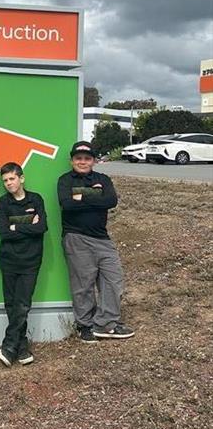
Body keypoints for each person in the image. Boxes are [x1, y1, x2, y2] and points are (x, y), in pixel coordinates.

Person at [57, 141, 135, 343]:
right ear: (72, 160)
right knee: (83, 284)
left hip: (102, 238)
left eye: (87, 158)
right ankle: (84, 325)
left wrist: (81, 195)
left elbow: (111, 201)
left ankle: (105, 323)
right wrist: (94, 193)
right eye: (78, 158)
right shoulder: (65, 180)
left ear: (93, 160)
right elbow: (66, 204)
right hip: (76, 237)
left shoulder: (103, 179)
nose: (82, 162)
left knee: (113, 280)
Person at [0, 162, 47, 367]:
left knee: (23, 305)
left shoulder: (36, 199)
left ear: (21, 178)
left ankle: (9, 346)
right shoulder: (2, 203)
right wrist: (27, 224)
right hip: (8, 260)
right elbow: (4, 233)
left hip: (31, 261)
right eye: (5, 180)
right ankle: (22, 347)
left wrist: (16, 225)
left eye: (12, 179)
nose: (8, 183)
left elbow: (42, 227)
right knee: (11, 304)